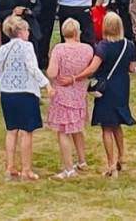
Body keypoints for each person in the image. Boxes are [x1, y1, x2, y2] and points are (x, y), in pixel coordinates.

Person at [68, 11, 136, 176]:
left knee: (106, 127)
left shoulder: (103, 46)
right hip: (122, 85)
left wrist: (75, 77)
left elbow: (92, 68)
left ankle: (111, 164)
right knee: (117, 124)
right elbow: (132, 68)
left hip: (106, 88)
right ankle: (122, 157)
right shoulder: (129, 45)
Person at [0, 15, 51, 181]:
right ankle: (26, 169)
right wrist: (46, 83)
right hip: (25, 92)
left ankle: (10, 167)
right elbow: (32, 68)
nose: (28, 33)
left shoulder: (3, 49)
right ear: (20, 31)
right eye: (27, 30)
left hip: (6, 92)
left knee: (11, 130)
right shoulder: (27, 47)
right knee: (27, 131)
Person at [44, 18, 93, 179]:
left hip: (62, 95)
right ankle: (82, 160)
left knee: (63, 131)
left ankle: (68, 168)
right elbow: (90, 70)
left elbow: (51, 73)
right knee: (77, 128)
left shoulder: (59, 49)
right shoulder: (87, 49)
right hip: (79, 94)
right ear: (77, 32)